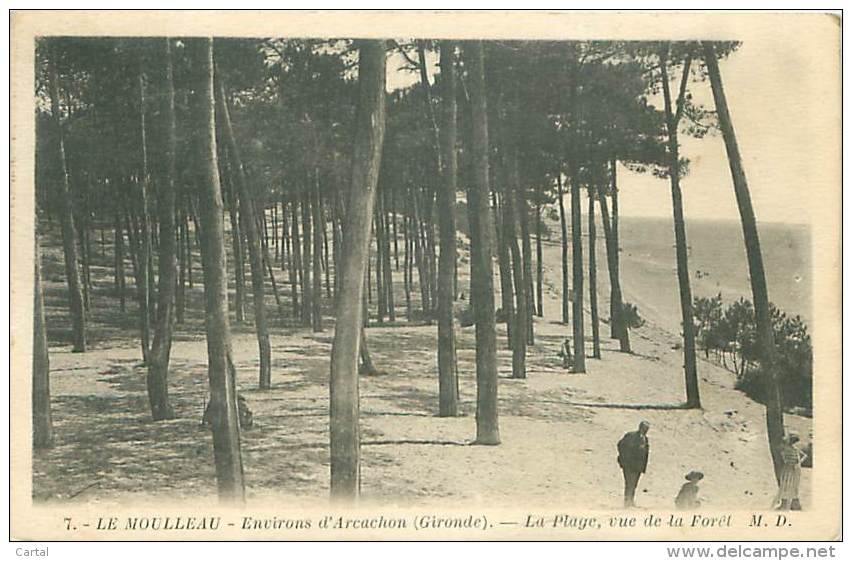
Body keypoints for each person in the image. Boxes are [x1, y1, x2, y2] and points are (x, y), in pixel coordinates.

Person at [617, 421, 650, 507]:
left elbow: (645, 453)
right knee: (629, 483)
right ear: (640, 427)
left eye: (647, 429)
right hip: (629, 464)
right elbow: (620, 445)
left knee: (634, 484)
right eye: (644, 428)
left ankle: (631, 501)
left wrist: (643, 467)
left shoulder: (645, 439)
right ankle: (627, 502)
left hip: (638, 466)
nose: (645, 430)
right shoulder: (630, 436)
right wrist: (624, 457)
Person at [775, 433, 805, 511]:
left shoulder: (788, 449)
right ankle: (789, 504)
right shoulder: (794, 449)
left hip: (789, 469)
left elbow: (786, 460)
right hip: (795, 469)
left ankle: (785, 505)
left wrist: (794, 462)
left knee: (786, 485)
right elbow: (803, 456)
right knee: (791, 486)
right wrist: (798, 463)